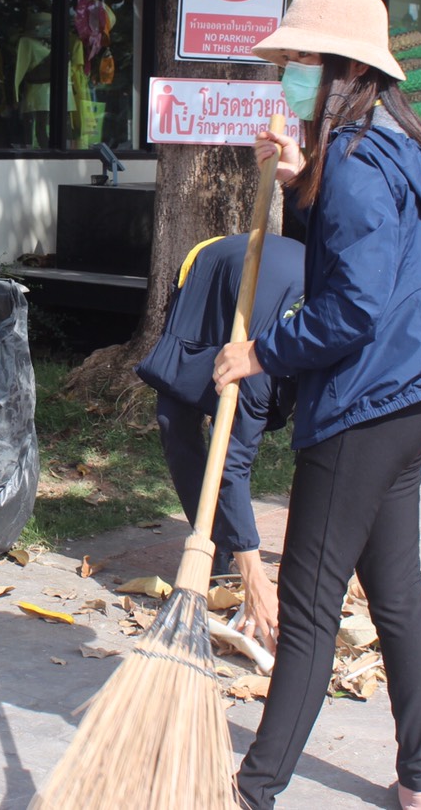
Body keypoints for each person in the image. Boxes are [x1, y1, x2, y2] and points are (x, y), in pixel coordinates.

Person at [214, 0, 421, 810]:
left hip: (364, 405)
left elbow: (350, 310)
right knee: (398, 597)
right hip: (408, 405)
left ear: (340, 71)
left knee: (311, 608)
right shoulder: (385, 144)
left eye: (298, 62)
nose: (288, 76)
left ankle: (253, 791)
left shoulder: (359, 164)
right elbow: (356, 256)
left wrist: (258, 354)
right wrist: (293, 178)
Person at [134, 232, 304, 649]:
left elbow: (231, 460)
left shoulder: (264, 372)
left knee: (233, 440)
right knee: (173, 418)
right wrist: (256, 579)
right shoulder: (263, 376)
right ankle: (215, 546)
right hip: (207, 269)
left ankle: (234, 549)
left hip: (278, 289)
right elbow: (231, 466)